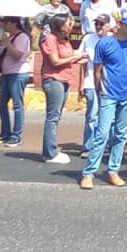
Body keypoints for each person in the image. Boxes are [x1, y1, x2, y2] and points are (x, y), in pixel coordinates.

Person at [80, 9, 127, 190]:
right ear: (119, 24)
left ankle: (113, 170)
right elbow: (97, 69)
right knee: (102, 133)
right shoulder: (104, 44)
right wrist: (101, 91)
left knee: (121, 135)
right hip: (108, 93)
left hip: (126, 94)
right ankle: (88, 173)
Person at [42, 15, 85, 164]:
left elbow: (70, 57)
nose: (71, 25)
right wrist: (74, 58)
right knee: (52, 117)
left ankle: (50, 149)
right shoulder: (50, 39)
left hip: (65, 80)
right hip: (54, 80)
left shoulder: (65, 40)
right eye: (68, 23)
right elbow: (55, 61)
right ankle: (50, 153)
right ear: (60, 25)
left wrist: (81, 58)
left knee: (57, 116)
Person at [0, 16, 31, 148]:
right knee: (1, 101)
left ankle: (16, 135)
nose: (4, 25)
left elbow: (17, 55)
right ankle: (5, 132)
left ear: (13, 23)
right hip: (7, 73)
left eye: (6, 22)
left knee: (17, 104)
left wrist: (7, 43)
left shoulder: (22, 37)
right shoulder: (9, 36)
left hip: (18, 73)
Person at [78, 14, 111, 157]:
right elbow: (82, 62)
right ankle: (88, 146)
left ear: (108, 25)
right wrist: (80, 84)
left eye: (101, 24)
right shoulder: (88, 39)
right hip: (91, 82)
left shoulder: (113, 40)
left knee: (108, 116)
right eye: (96, 24)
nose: (98, 27)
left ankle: (106, 145)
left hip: (109, 84)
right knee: (92, 115)